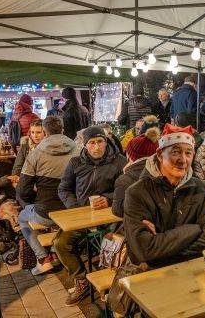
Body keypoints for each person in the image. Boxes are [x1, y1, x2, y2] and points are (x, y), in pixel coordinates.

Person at [123, 123, 205, 268]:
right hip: (152, 274)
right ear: (160, 155)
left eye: (188, 153)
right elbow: (143, 250)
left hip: (191, 268)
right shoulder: (137, 193)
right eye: (175, 152)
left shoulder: (198, 188)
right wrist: (194, 229)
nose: (183, 160)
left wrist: (161, 251)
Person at [55, 126, 126, 306]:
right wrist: (76, 207)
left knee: (114, 243)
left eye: (100, 141)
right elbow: (63, 189)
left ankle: (109, 283)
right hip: (82, 215)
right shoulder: (75, 163)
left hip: (111, 216)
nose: (96, 147)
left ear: (106, 141)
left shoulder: (118, 162)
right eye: (92, 143)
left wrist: (108, 199)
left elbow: (125, 190)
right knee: (61, 244)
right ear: (85, 145)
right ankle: (81, 280)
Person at [16, 116, 80, 275]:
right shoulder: (78, 150)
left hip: (46, 213)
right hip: (73, 210)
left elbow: (23, 190)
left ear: (45, 132)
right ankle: (53, 253)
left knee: (22, 217)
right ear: (62, 130)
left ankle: (43, 259)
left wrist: (34, 197)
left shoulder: (35, 154)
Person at [112, 126, 160, 218]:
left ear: (130, 155)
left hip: (137, 227)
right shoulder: (166, 172)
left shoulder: (124, 180)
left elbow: (118, 211)